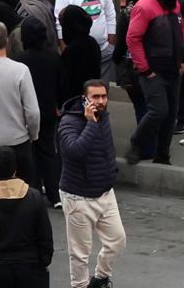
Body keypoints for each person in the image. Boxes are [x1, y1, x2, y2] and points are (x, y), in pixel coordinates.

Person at [57, 78, 122, 288]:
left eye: (104, 96)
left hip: (104, 192)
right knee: (80, 254)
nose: (101, 101)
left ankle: (100, 278)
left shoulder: (103, 116)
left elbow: (105, 149)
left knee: (117, 240)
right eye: (96, 97)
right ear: (85, 99)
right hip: (78, 197)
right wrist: (91, 123)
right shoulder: (69, 121)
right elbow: (74, 152)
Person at [119, 0, 181, 170]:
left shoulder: (174, 5)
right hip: (153, 72)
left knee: (171, 114)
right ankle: (137, 143)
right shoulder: (144, 7)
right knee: (158, 111)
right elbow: (132, 38)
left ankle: (163, 155)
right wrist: (145, 69)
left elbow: (181, 32)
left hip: (173, 69)